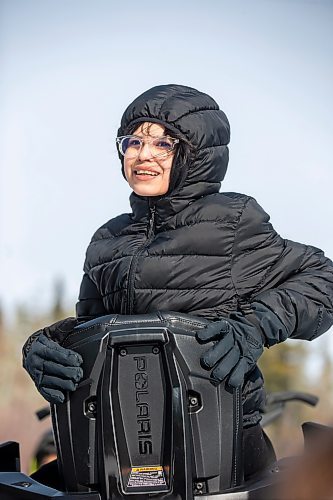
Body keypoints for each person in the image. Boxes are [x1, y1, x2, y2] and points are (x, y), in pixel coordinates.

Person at [22, 84, 333, 479]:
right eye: (132, 141)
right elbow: (89, 332)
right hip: (118, 442)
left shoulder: (234, 221)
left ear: (197, 155)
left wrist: (252, 328)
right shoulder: (107, 240)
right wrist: (45, 348)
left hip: (223, 439)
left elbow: (323, 280)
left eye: (163, 144)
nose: (142, 154)